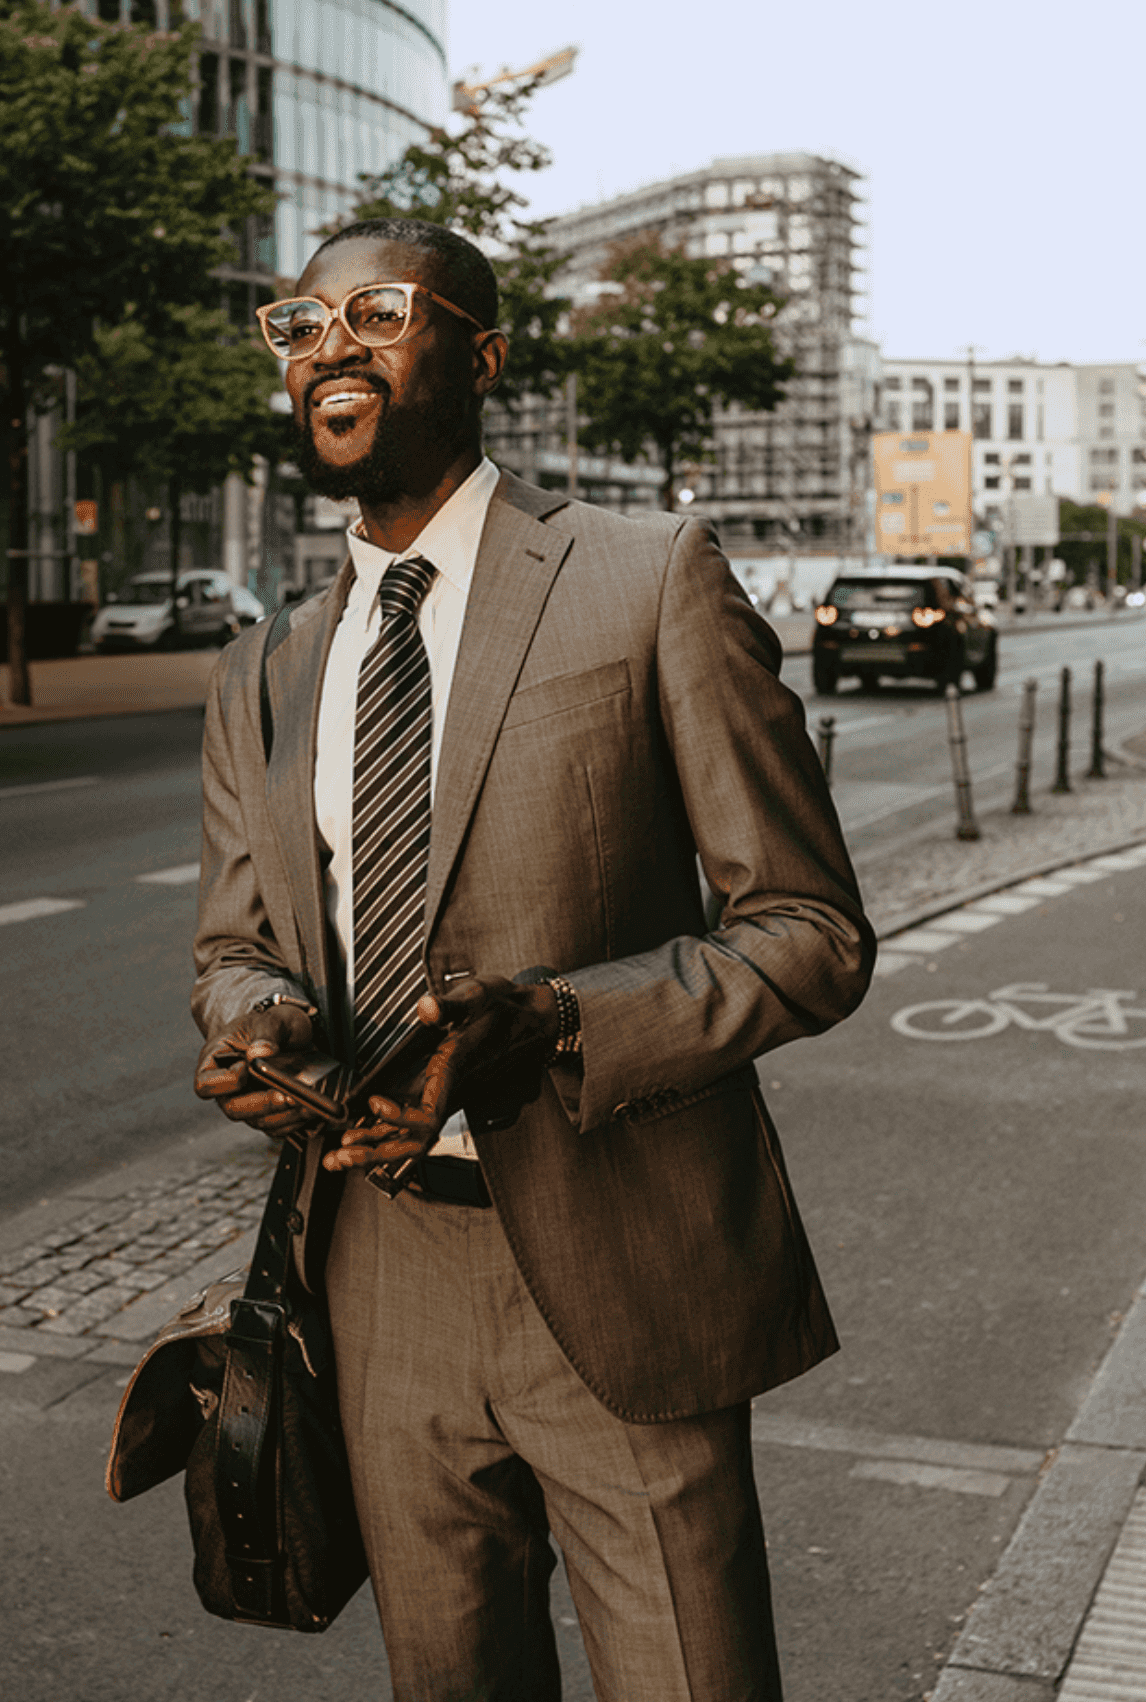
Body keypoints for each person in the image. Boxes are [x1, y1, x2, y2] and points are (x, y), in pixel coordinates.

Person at [192, 216, 873, 1701]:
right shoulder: (263, 667)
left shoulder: (648, 575)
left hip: (626, 1247)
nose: (330, 349)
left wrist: (556, 1021)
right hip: (374, 1272)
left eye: (377, 311)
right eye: (299, 329)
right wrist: (262, 1024)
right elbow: (235, 942)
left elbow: (813, 934)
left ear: (482, 356)